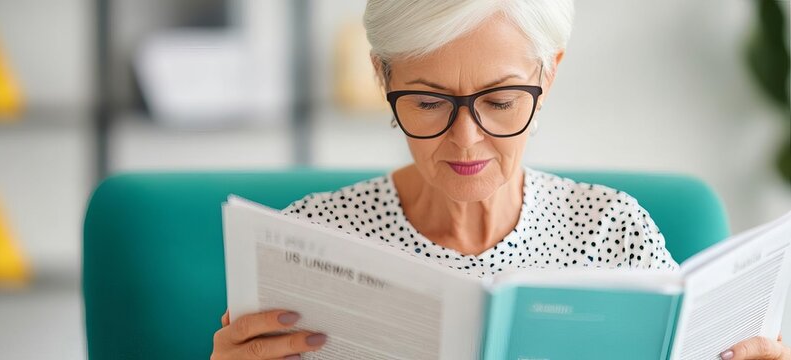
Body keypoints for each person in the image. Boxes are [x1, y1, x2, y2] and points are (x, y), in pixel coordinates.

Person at [210, 1, 790, 359]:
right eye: (429, 102)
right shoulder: (311, 240)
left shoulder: (614, 232)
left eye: (501, 100)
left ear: (549, 74)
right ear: (380, 76)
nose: (466, 139)